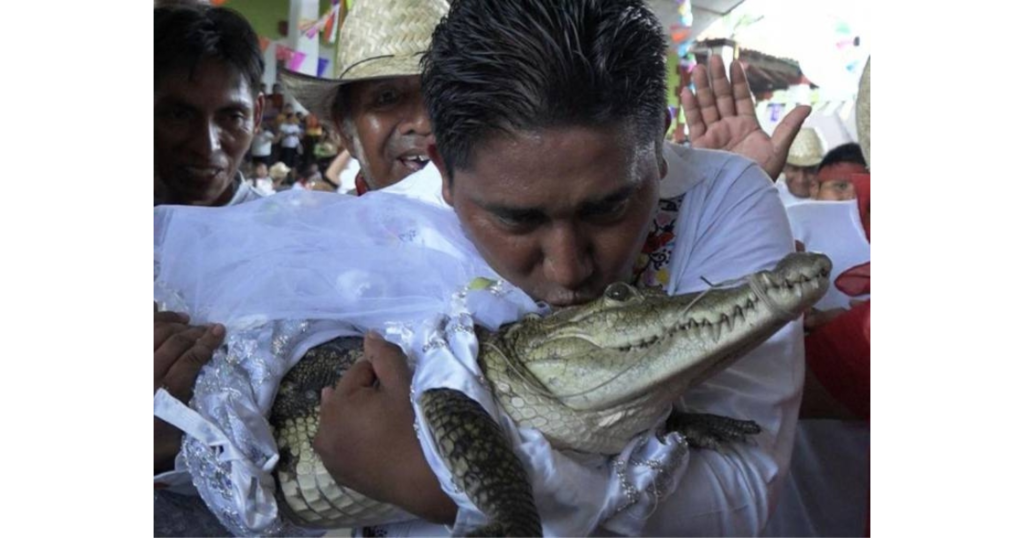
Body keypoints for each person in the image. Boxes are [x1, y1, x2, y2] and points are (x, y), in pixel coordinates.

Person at [282, 0, 446, 194]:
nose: (423, 124)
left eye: (442, 92)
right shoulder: (328, 223)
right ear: (345, 129)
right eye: (387, 97)